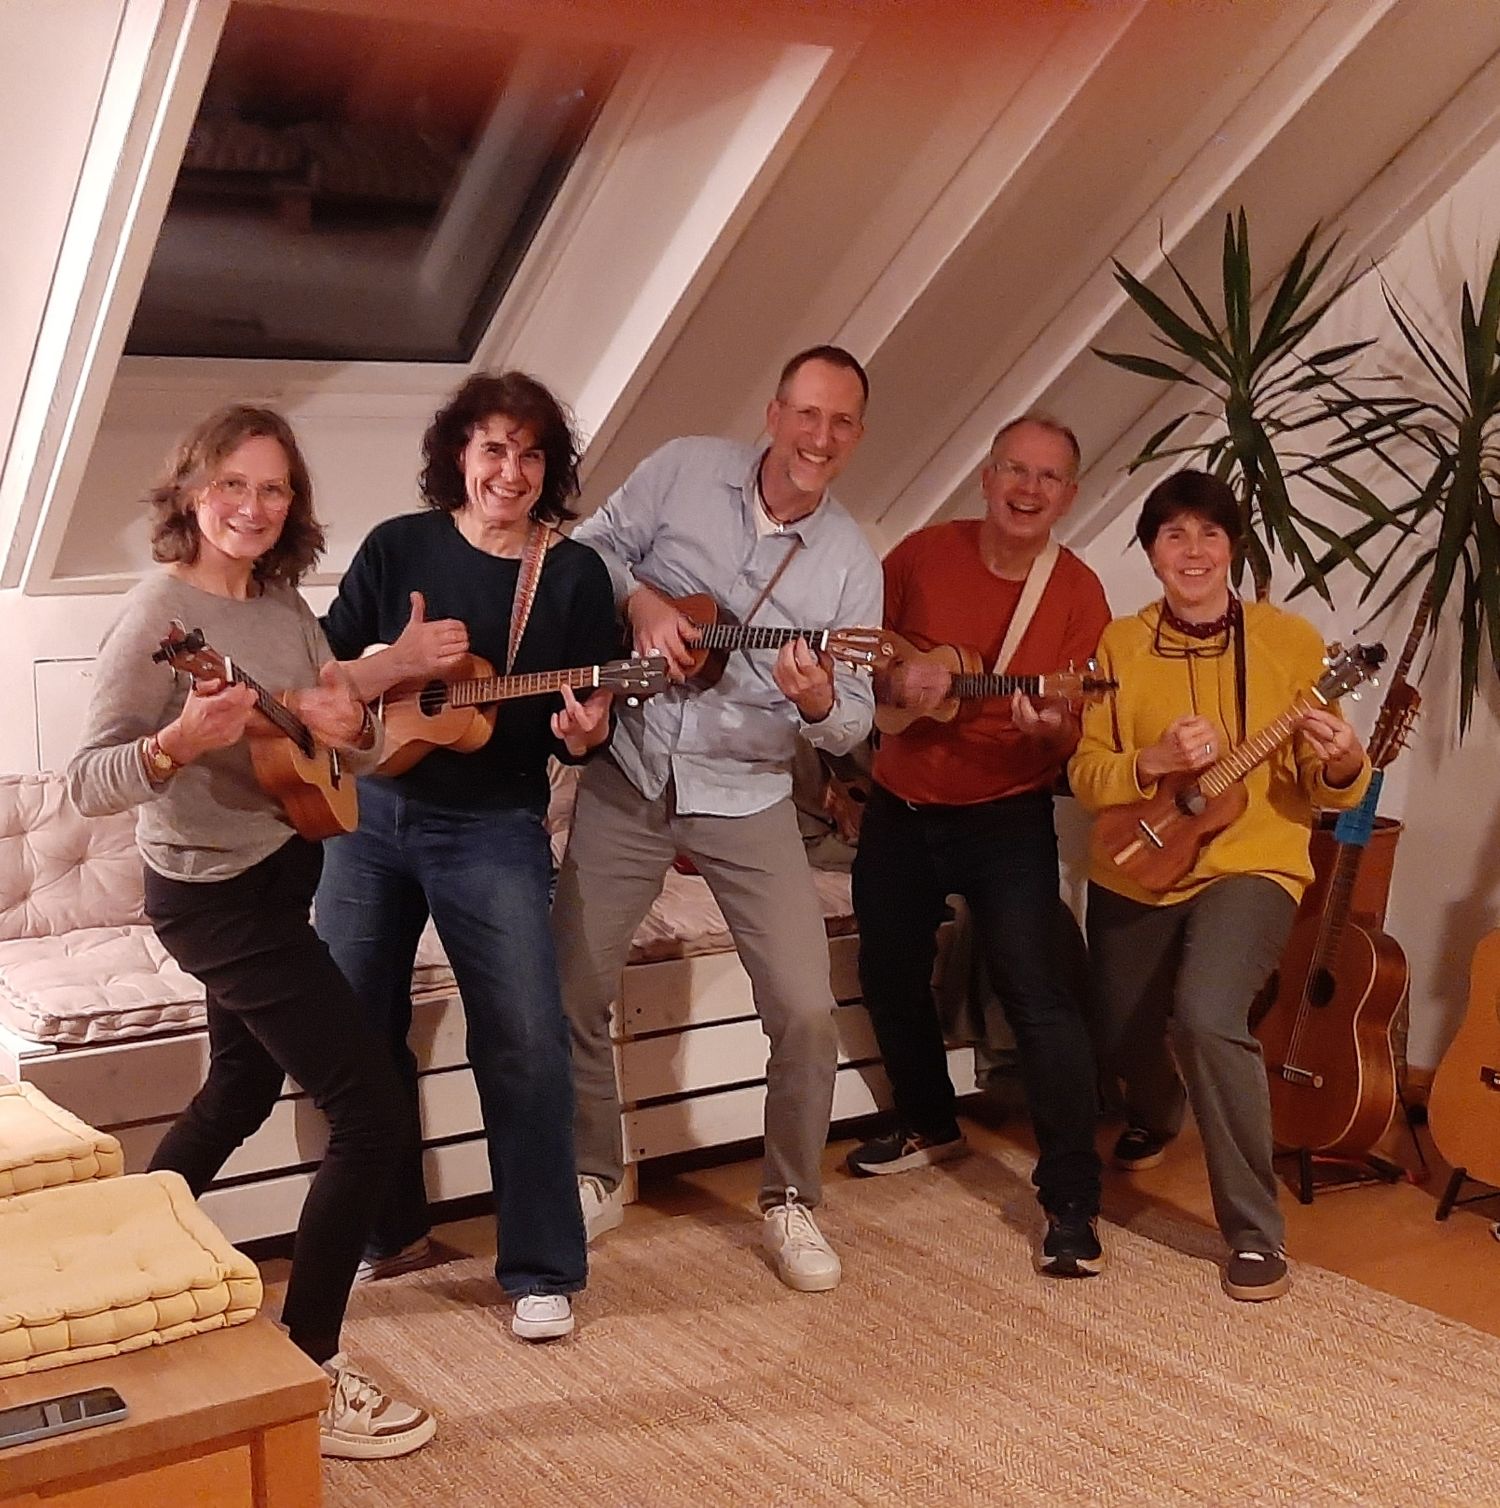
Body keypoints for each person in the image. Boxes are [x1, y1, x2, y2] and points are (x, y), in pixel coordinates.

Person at [66, 404, 434, 1459]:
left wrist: (348, 724)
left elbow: (338, 755)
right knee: (370, 1109)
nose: (253, 506)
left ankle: (112, 1276)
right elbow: (87, 781)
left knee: (238, 1090)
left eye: (274, 489)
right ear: (192, 491)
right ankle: (311, 1365)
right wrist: (177, 744)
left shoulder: (283, 606)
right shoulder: (157, 617)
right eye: (233, 483)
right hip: (210, 898)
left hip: (283, 878)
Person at [555, 345, 883, 1291]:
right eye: (807, 414)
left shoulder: (852, 566)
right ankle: (592, 1173)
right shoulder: (682, 469)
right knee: (572, 986)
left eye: (841, 423)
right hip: (629, 770)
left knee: (807, 1010)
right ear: (774, 415)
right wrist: (644, 603)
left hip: (747, 794)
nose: (820, 437)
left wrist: (817, 700)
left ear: (857, 437)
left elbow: (853, 719)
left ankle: (790, 1201)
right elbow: (589, 550)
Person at [316, 371, 617, 1342]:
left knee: (524, 1037)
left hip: (493, 825)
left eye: (531, 454)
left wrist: (586, 734)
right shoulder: (397, 547)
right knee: (355, 1028)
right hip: (369, 814)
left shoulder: (570, 576)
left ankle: (540, 1266)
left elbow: (592, 721)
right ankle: (390, 1226)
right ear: (459, 453)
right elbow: (320, 681)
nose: (511, 472)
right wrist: (398, 663)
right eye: (493, 448)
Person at [1069, 469, 1370, 1302]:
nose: (1193, 550)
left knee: (1206, 1015)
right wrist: (1150, 761)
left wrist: (1344, 762)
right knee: (1122, 1031)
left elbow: (1327, 778)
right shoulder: (1119, 645)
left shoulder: (1292, 643)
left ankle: (1254, 1234)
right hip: (1139, 859)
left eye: (1209, 533)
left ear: (1233, 546)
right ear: (1151, 552)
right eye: (1174, 534)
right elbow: (1088, 773)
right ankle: (1156, 1111)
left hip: (1252, 861)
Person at [846, 415, 1111, 1278]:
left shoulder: (1078, 594)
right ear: (987, 477)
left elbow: (1076, 723)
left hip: (1006, 815)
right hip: (899, 804)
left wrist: (1048, 727)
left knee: (1038, 995)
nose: (1028, 490)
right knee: (888, 969)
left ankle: (1071, 1199)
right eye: (1014, 471)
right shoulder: (922, 554)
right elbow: (862, 647)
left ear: (1068, 497)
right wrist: (899, 675)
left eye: (1048, 478)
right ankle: (929, 1122)